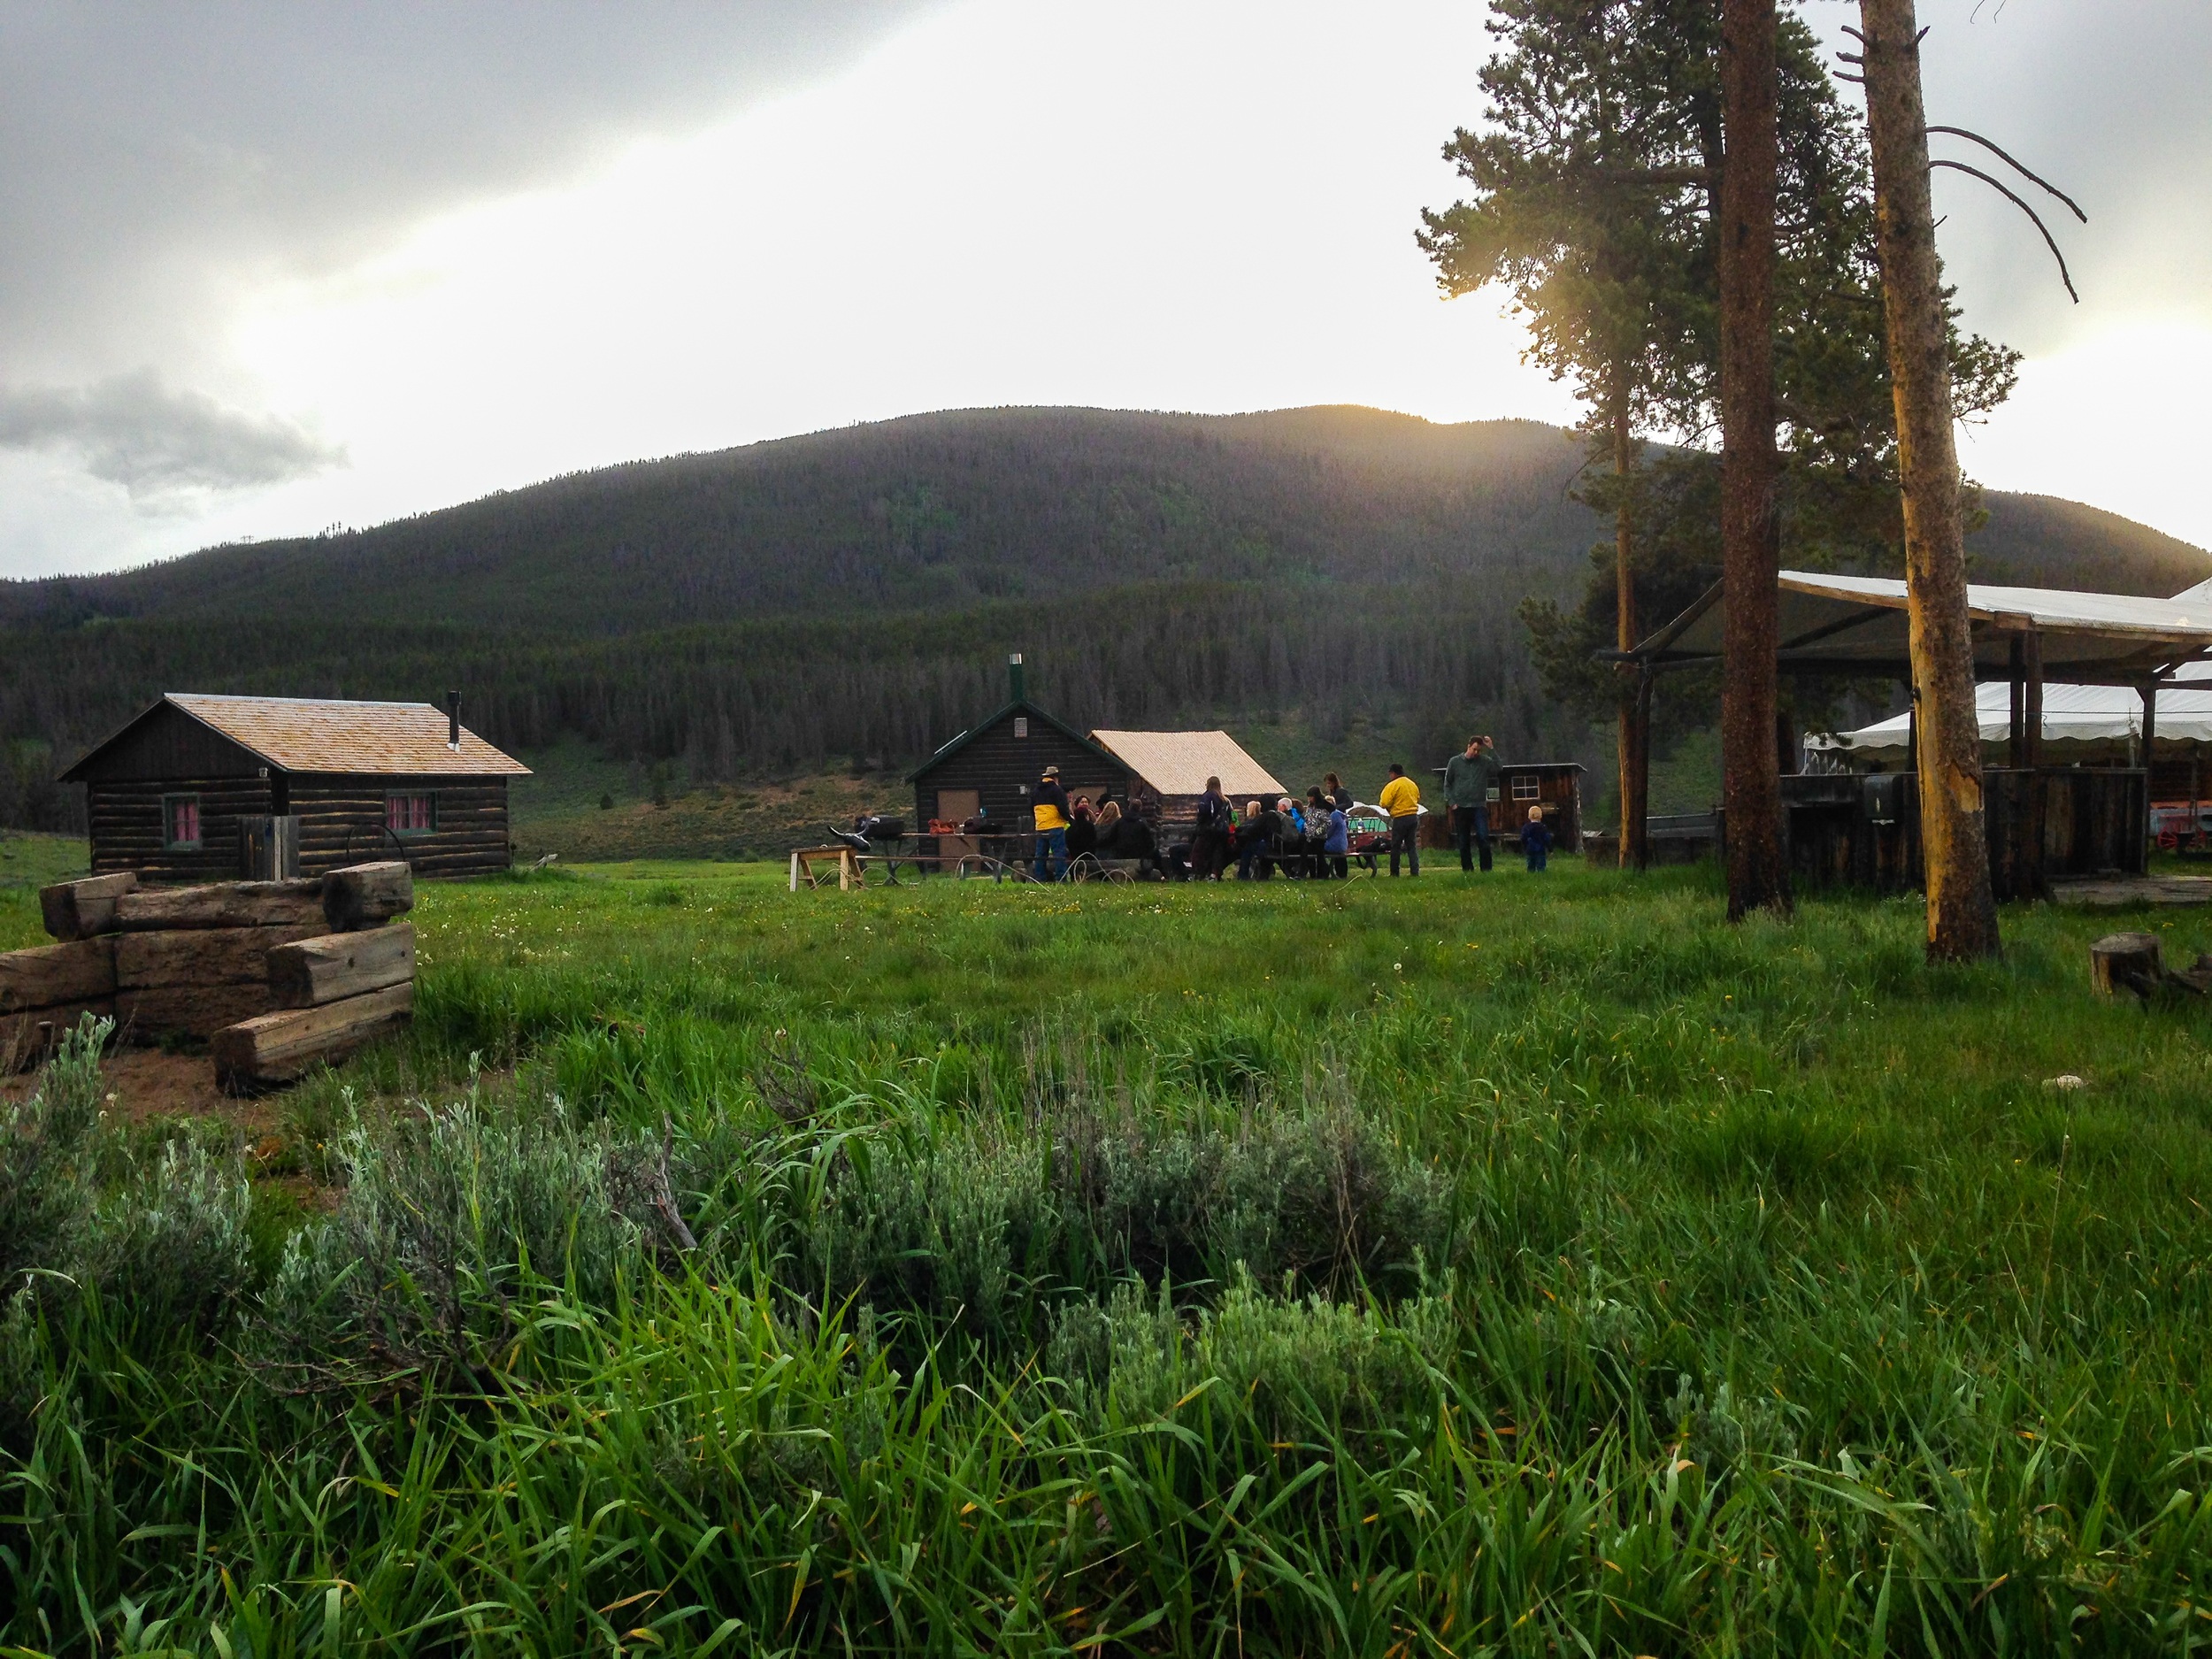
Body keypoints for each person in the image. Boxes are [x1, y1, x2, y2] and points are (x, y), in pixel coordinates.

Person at [1443, 733, 1501, 873]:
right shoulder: (1454, 762)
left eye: (1479, 750)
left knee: (1483, 837)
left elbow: (1498, 768)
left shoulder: (1484, 762)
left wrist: (1491, 748)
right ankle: (1467, 870)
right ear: (1468, 746)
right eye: (1474, 749)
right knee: (1463, 841)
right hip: (1461, 807)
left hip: (1478, 806)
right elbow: (1447, 784)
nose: (1476, 753)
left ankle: (1486, 870)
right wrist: (1452, 803)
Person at [1379, 763, 1421, 876]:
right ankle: (1415, 872)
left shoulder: (1393, 785)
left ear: (1392, 773)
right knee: (1411, 845)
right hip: (1413, 817)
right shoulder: (1412, 784)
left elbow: (1384, 803)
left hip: (1400, 818)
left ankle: (1394, 872)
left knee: (1396, 846)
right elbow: (1417, 797)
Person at [1190, 774, 1233, 880]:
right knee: (1217, 853)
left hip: (1208, 830)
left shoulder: (1208, 796)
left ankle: (1198, 874)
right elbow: (1230, 816)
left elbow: (1203, 811)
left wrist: (1200, 824)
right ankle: (1215, 874)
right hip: (1222, 831)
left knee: (1199, 852)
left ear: (1209, 784)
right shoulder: (1225, 800)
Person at [1032, 764, 1070, 881]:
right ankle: (1061, 878)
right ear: (1055, 778)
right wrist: (1069, 819)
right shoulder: (1057, 790)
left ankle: (1040, 878)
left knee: (1040, 855)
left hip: (1040, 826)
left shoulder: (1036, 791)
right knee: (1059, 853)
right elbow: (1063, 808)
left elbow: (1031, 809)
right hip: (1055, 825)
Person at [1323, 793, 1349, 879]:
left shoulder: (1333, 816)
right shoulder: (1340, 815)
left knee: (1316, 848)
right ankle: (1341, 874)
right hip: (1343, 845)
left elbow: (1328, 833)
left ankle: (1323, 872)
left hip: (1335, 845)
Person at [1521, 804, 1554, 872]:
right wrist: (1550, 849)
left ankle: (1531, 878)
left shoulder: (1526, 827)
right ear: (1540, 815)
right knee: (1541, 867)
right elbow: (1547, 838)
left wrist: (1525, 847)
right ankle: (1541, 878)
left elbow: (1523, 838)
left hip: (1530, 850)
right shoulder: (1543, 827)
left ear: (1529, 816)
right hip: (1540, 850)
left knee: (1530, 866)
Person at [1065, 795, 1097, 860]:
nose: (1085, 804)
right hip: (1089, 855)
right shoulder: (1090, 826)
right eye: (1082, 802)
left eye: (1086, 802)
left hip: (1075, 857)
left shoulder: (1071, 828)